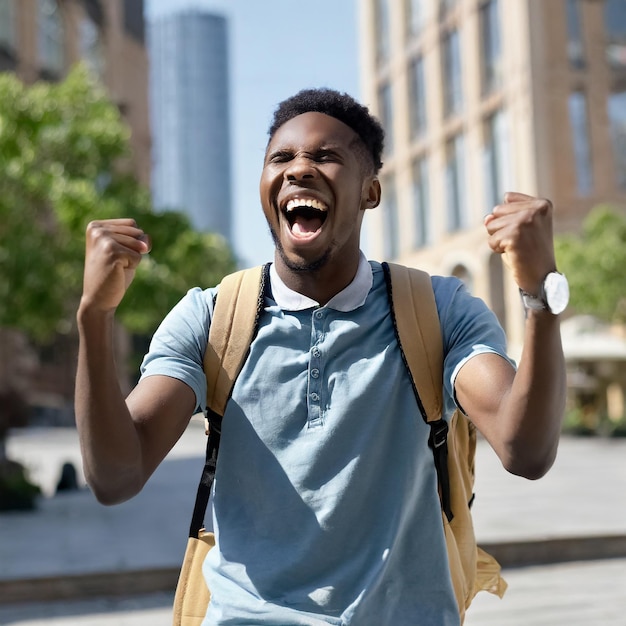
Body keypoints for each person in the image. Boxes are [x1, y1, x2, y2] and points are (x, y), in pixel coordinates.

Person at [75, 88, 567, 625]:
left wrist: (540, 295)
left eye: (326, 157)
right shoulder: (212, 318)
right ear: (263, 187)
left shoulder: (439, 310)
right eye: (280, 158)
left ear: (370, 192)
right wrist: (94, 319)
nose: (299, 170)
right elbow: (116, 475)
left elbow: (526, 449)